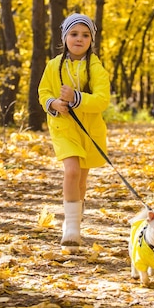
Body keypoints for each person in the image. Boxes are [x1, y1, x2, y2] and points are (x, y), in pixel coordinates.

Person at [38, 13, 111, 251]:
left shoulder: (96, 67)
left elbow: (102, 100)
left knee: (81, 178)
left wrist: (76, 98)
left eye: (85, 34)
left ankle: (76, 216)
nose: (79, 39)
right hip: (64, 127)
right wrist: (53, 104)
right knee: (71, 171)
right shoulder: (53, 66)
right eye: (74, 34)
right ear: (65, 37)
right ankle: (70, 228)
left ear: (91, 39)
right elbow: (43, 93)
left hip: (89, 129)